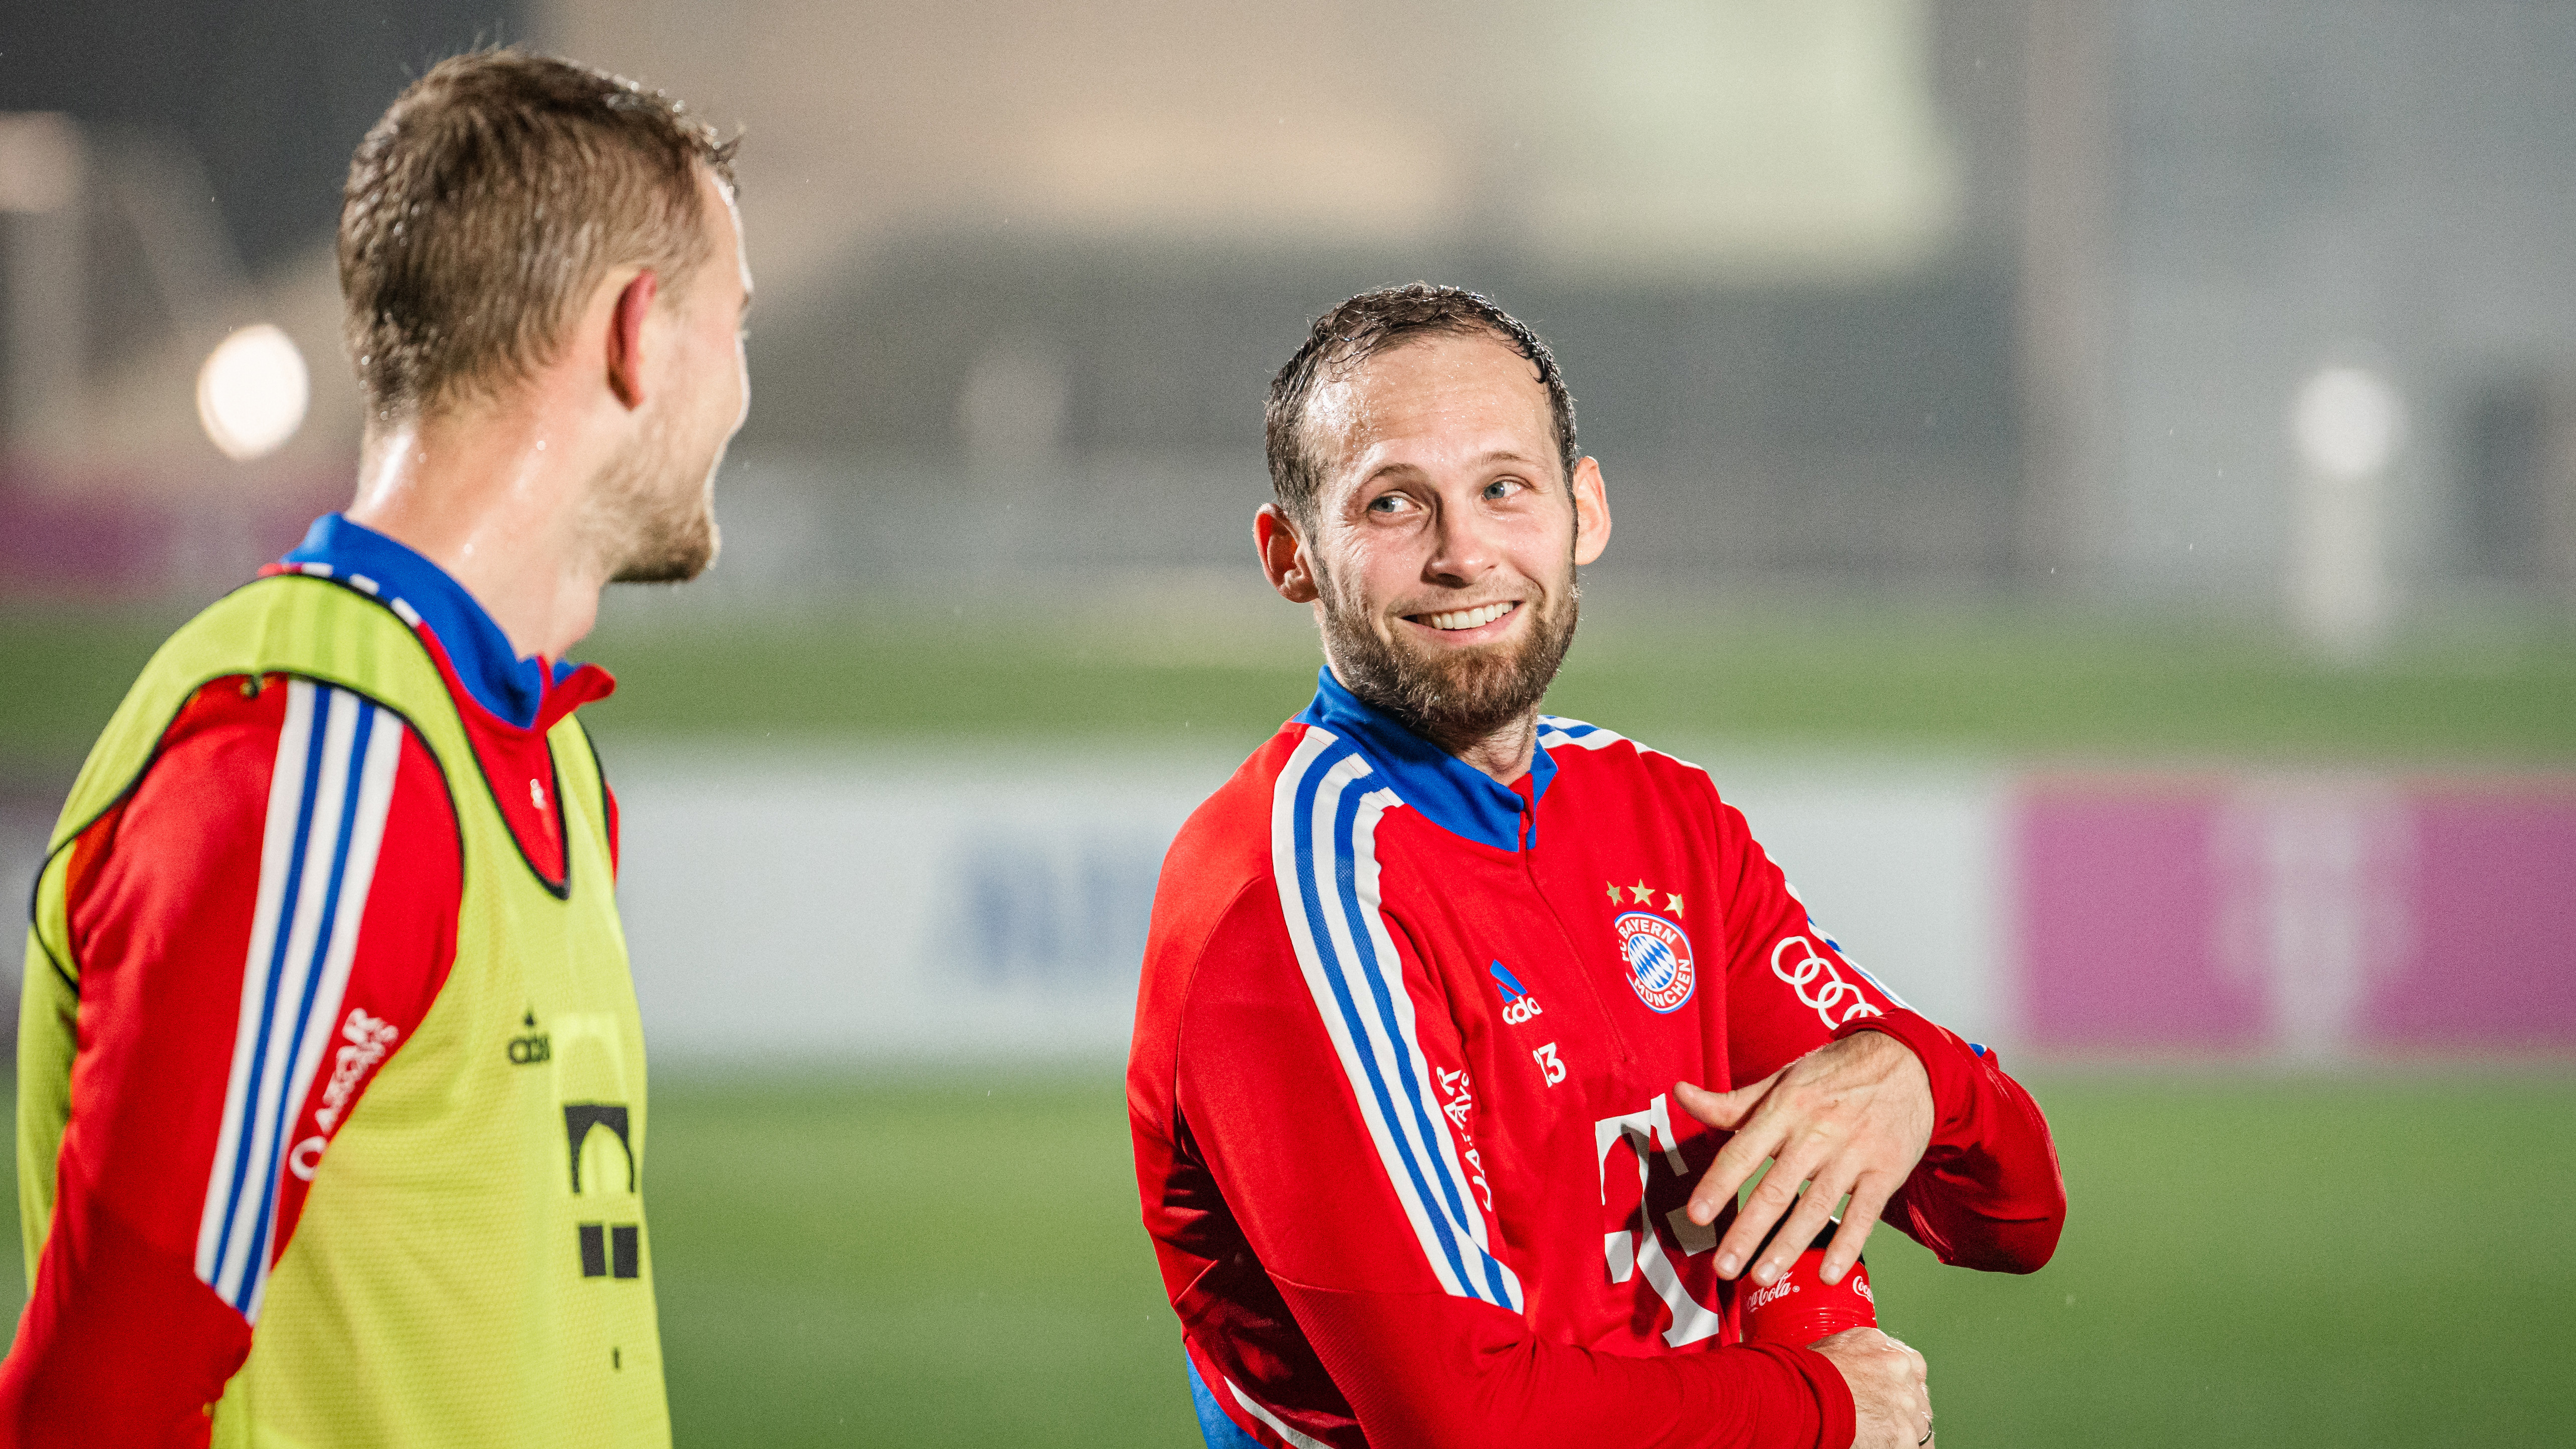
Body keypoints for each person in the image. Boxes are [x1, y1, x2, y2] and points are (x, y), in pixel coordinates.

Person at [1128, 285, 2066, 1449]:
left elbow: (2012, 1212)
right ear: (1291, 558)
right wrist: (1824, 1413)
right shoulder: (1291, 895)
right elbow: (1460, 1425)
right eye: (1391, 503)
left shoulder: (1656, 817)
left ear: (1585, 512)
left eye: (1501, 489)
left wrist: (1911, 1078)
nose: (1463, 553)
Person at [2, 50, 749, 1447]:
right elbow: (97, 1405)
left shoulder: (528, 752)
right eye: (735, 327)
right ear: (637, 334)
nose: (741, 398)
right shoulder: (314, 766)